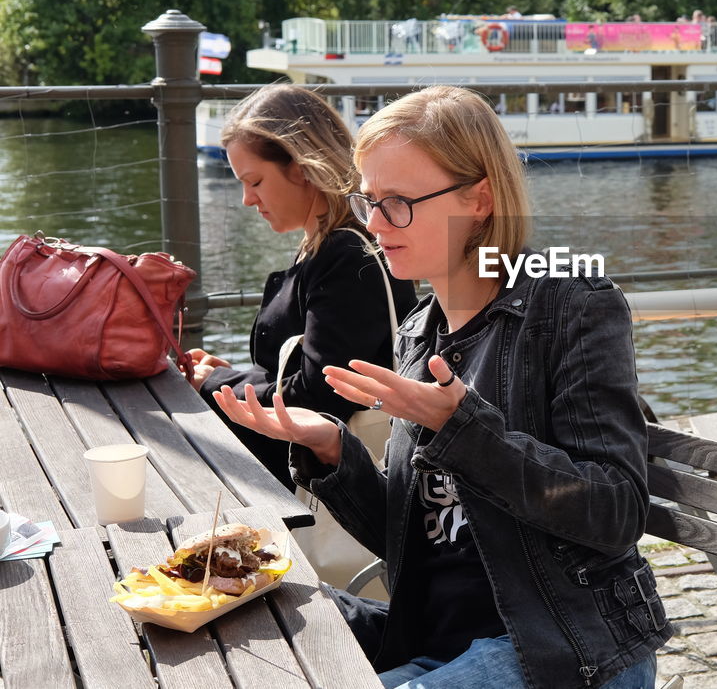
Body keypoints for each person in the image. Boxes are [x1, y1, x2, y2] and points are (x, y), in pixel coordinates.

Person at [212, 85, 670, 689]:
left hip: (557, 648)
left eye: (397, 203)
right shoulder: (418, 331)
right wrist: (333, 450)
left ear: (479, 199)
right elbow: (415, 541)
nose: (374, 223)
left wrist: (463, 429)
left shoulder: (572, 304)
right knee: (229, 623)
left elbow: (615, 513)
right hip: (433, 637)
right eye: (369, 200)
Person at [186, 85, 418, 488]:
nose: (246, 199)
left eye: (254, 181)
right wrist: (235, 377)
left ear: (301, 166)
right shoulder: (325, 247)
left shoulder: (348, 256)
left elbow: (316, 399)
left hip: (332, 492)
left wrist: (212, 384)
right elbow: (304, 371)